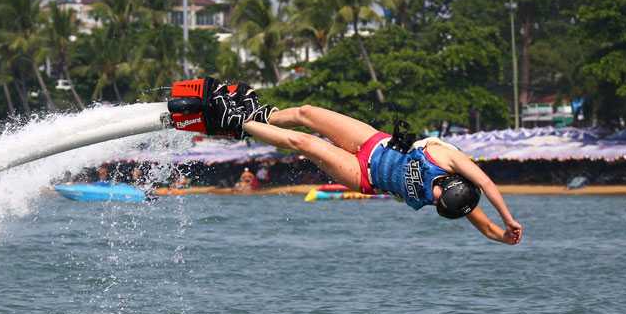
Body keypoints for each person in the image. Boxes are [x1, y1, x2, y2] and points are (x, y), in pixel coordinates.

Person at [205, 83, 523, 244]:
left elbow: (486, 227)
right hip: (371, 141)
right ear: (451, 182)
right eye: (440, 198)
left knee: (304, 143)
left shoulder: (458, 201)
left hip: (363, 176)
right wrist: (510, 218)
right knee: (308, 113)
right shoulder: (450, 159)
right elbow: (487, 183)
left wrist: (503, 237)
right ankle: (259, 114)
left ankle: (232, 121)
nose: (434, 201)